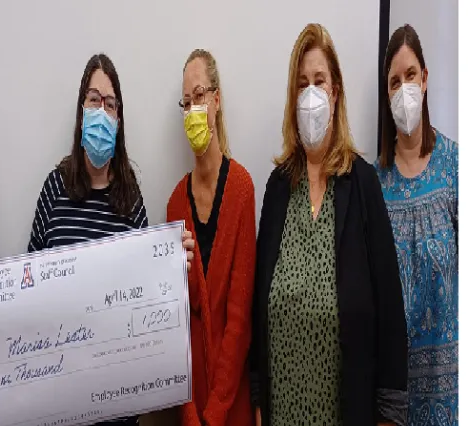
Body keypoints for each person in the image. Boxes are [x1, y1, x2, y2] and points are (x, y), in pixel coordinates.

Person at [250, 23, 408, 426]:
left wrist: (390, 414)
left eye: (319, 81)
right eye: (301, 85)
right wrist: (256, 398)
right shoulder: (278, 188)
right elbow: (258, 306)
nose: (311, 95)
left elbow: (390, 310)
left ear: (335, 93)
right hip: (282, 413)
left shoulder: (363, 184)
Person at [26, 53, 194, 426]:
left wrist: (172, 264)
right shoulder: (54, 188)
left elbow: (148, 294)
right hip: (58, 405)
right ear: (80, 111)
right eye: (93, 99)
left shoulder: (130, 197)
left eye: (111, 104)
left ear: (119, 120)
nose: (101, 110)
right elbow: (28, 287)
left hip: (116, 408)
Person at [167, 49, 256, 426]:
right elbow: (174, 317)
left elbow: (239, 317)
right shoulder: (174, 204)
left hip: (230, 404)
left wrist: (215, 410)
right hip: (187, 405)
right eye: (186, 102)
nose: (193, 110)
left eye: (200, 95)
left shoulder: (241, 189)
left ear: (217, 101)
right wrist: (189, 411)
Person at [375, 24, 458, 426]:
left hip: (451, 392)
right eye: (394, 82)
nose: (404, 87)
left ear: (425, 79)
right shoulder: (373, 184)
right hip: (394, 398)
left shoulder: (455, 169)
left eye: (410, 76)